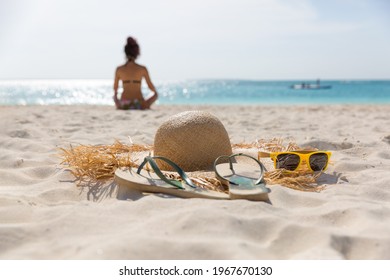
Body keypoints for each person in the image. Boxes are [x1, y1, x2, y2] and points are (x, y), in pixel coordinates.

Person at [113, 37, 158, 110]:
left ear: (125, 52)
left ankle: (119, 106)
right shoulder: (142, 69)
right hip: (140, 104)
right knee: (156, 95)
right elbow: (151, 87)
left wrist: (117, 101)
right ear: (137, 53)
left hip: (124, 104)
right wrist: (155, 93)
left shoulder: (119, 69)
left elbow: (115, 89)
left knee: (115, 98)